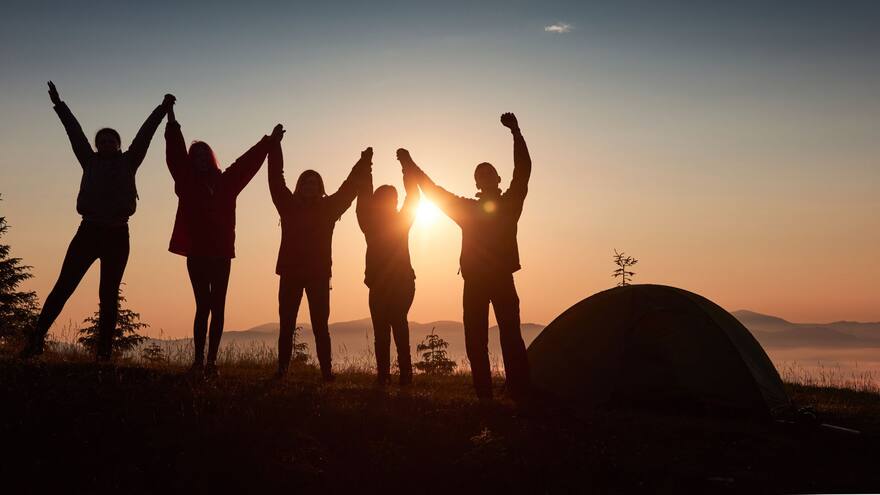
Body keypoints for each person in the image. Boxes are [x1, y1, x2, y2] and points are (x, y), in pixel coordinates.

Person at [20, 82, 173, 360]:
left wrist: (162, 110)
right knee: (63, 287)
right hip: (88, 232)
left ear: (118, 145)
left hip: (117, 235)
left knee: (108, 296)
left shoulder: (130, 161)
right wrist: (60, 105)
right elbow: (74, 132)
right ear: (96, 145)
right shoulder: (88, 161)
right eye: (101, 141)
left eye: (110, 141)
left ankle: (103, 353)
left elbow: (145, 135)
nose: (105, 144)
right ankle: (36, 340)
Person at [398, 112, 532, 400]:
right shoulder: (467, 210)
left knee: (510, 335)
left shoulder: (510, 203)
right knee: (475, 339)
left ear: (497, 179)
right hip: (474, 282)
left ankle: (519, 390)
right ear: (476, 182)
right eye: (479, 174)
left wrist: (516, 133)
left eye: (488, 172)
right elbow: (434, 191)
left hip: (501, 279)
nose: (484, 176)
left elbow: (523, 170)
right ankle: (484, 394)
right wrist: (409, 164)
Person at [165, 102, 281, 378]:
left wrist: (268, 142)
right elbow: (175, 154)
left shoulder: (227, 182)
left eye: (205, 155)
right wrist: (171, 119)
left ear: (211, 158)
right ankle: (197, 361)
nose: (201, 160)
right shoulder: (186, 182)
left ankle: (211, 363)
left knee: (218, 307)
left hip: (221, 255)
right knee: (202, 305)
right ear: (193, 161)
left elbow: (247, 163)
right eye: (197, 156)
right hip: (197, 254)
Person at [268, 140, 372, 381]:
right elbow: (275, 179)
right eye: (306, 182)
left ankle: (327, 373)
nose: (310, 186)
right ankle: (282, 371)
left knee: (320, 327)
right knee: (286, 325)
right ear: (300, 186)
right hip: (290, 273)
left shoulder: (329, 208)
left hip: (318, 275)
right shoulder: (288, 205)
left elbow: (348, 189)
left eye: (314, 183)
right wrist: (274, 147)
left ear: (320, 187)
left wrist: (364, 162)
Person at [355, 153, 420, 386]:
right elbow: (363, 198)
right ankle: (388, 375)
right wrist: (367, 166)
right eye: (386, 198)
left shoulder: (400, 221)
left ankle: (401, 375)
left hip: (401, 283)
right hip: (382, 284)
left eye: (391, 198)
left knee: (396, 326)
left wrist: (406, 166)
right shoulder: (370, 223)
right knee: (385, 330)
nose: (389, 202)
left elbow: (413, 197)